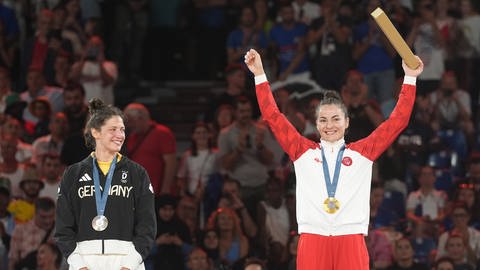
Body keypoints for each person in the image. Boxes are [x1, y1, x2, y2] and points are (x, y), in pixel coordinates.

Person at [243, 48, 424, 269]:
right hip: (312, 237)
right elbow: (273, 116)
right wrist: (260, 75)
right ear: (317, 124)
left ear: (347, 122)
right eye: (324, 120)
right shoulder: (302, 151)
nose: (330, 125)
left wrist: (410, 79)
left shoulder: (362, 153)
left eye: (336, 119)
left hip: (351, 238)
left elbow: (397, 122)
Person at [54, 98, 156, 270]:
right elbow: (63, 227)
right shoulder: (73, 174)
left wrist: (130, 263)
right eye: (113, 129)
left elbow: (147, 225)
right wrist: (78, 263)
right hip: (84, 261)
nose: (120, 135)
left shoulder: (137, 173)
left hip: (127, 261)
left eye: (122, 130)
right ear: (95, 132)